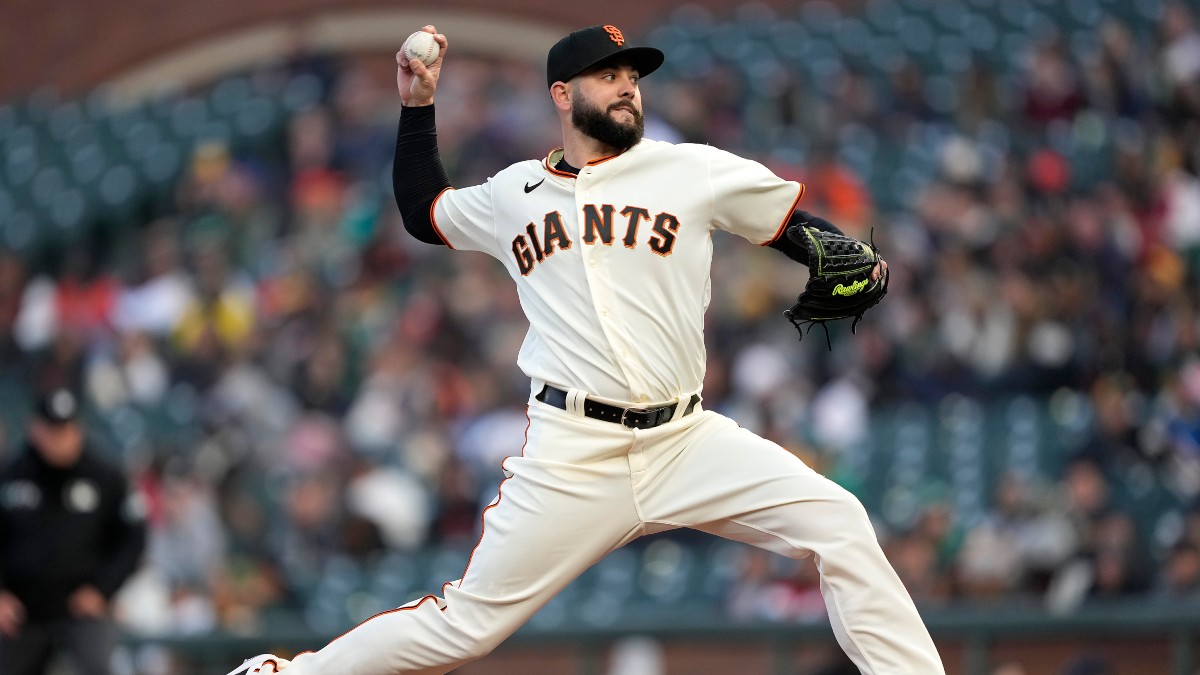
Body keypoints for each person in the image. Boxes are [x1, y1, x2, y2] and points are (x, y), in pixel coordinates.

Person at [231, 23, 944, 674]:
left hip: (685, 438)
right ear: (564, 94)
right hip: (573, 450)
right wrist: (418, 106)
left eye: (633, 76)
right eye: (609, 76)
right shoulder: (516, 191)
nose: (628, 86)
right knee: (467, 624)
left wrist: (842, 255)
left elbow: (785, 219)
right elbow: (425, 213)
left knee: (838, 521)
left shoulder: (687, 169)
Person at [0, 387, 147, 675]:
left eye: (66, 430)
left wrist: (103, 589)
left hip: (80, 609)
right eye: (52, 430)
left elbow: (133, 538)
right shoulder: (11, 475)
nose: (60, 439)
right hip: (21, 611)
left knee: (99, 666)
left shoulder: (105, 476)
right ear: (35, 429)